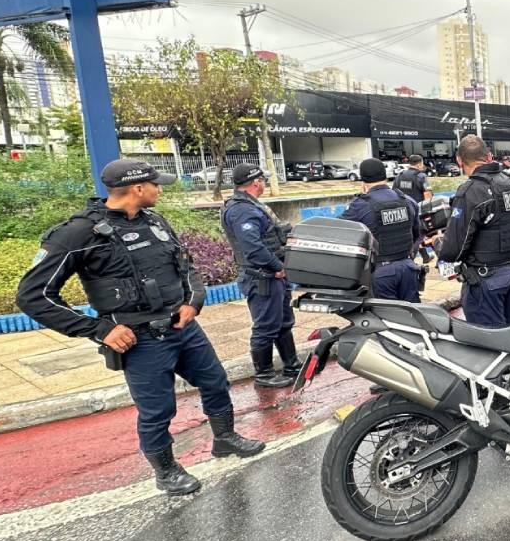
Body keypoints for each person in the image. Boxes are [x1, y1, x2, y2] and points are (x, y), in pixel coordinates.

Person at [16, 160, 264, 496]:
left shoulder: (155, 221)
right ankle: (165, 471)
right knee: (158, 409)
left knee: (216, 382)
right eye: (156, 184)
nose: (160, 189)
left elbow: (185, 264)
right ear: (137, 189)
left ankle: (225, 438)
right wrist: (99, 329)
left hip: (182, 328)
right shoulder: (78, 233)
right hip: (139, 339)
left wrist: (193, 301)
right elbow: (34, 296)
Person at [221, 164, 299, 389]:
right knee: (265, 326)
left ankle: (291, 364)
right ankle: (264, 374)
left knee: (283, 322)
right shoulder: (241, 210)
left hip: (272, 275)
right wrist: (277, 266)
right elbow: (252, 247)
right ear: (256, 182)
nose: (264, 183)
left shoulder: (250, 206)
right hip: (261, 277)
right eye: (263, 180)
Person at [437, 136, 510, 327]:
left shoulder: (470, 191)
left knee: (488, 343)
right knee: (509, 332)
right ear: (488, 156)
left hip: (485, 281)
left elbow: (455, 248)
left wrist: (439, 246)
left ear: (459, 160)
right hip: (509, 273)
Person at [340, 158, 424, 302]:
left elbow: (340, 232)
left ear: (363, 180)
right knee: (412, 319)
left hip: (381, 273)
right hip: (408, 268)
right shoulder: (407, 200)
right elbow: (417, 234)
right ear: (385, 175)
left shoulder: (360, 205)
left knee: (386, 319)